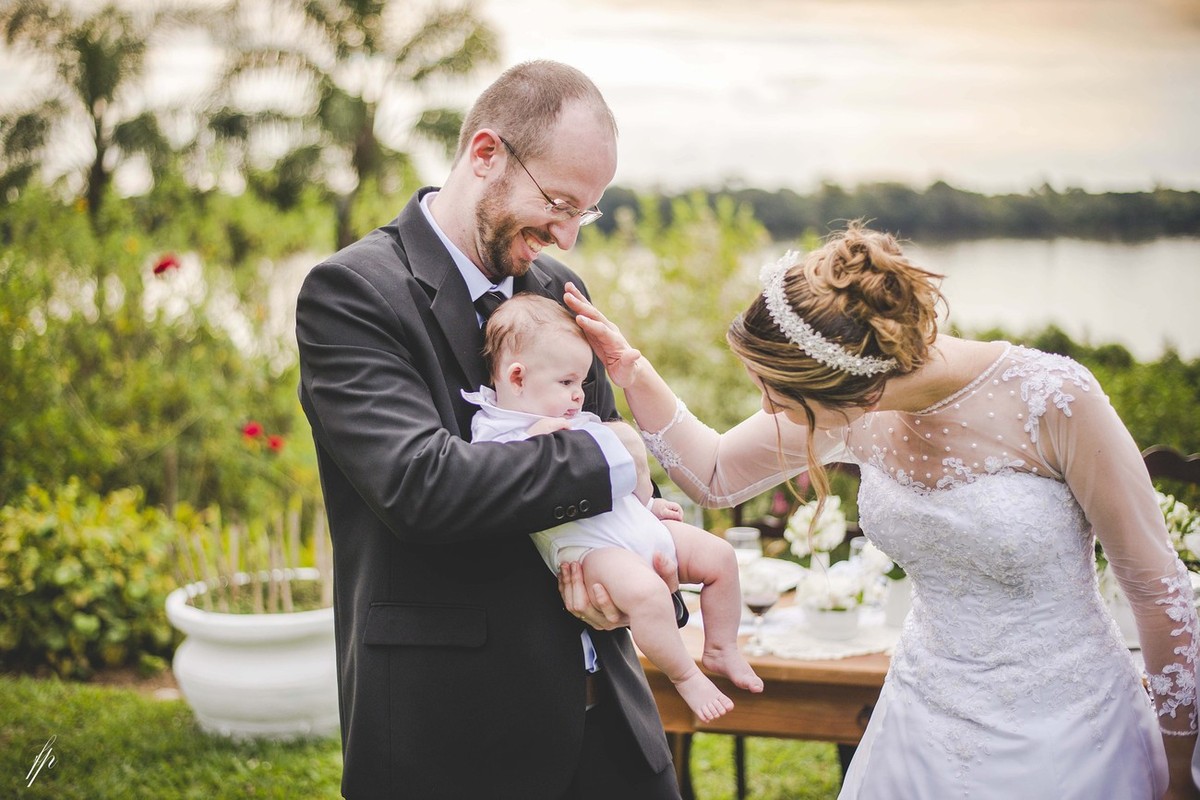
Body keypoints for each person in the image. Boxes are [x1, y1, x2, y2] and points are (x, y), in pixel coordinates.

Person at [564, 221, 1200, 799]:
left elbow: (1157, 590)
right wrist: (633, 370)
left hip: (1069, 733)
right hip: (920, 725)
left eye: (777, 397)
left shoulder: (1053, 399)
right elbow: (715, 473)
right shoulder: (852, 411)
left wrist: (1177, 778)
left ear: (860, 391)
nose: (765, 412)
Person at [296, 61, 686, 799]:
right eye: (559, 202)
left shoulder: (556, 292)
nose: (567, 234)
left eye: (586, 213)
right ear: (485, 155)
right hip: (453, 740)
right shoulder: (352, 294)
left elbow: (620, 484)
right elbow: (423, 486)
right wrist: (615, 448)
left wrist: (653, 577)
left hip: (617, 736)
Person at [465, 292, 764, 722]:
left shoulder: (579, 414)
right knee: (644, 592)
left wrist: (648, 504)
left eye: (582, 384)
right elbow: (500, 478)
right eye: (567, 383)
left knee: (720, 556)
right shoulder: (495, 428)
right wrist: (542, 438)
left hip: (634, 522)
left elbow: (624, 462)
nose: (578, 396)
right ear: (516, 378)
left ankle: (721, 646)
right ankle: (685, 676)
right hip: (591, 552)